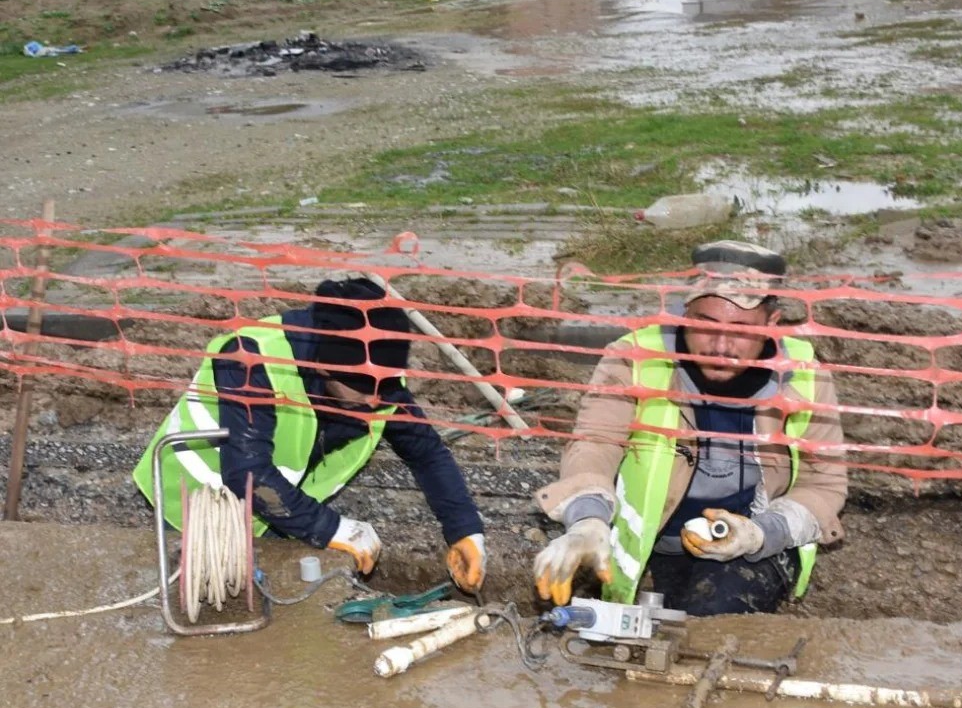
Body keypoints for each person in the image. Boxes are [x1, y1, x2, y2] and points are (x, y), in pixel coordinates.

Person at [533, 240, 847, 616]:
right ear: (686, 313)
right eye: (705, 325)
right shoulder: (635, 357)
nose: (720, 345)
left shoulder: (804, 376)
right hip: (651, 544)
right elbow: (595, 445)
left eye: (741, 330)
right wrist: (586, 520)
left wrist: (761, 534)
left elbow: (824, 483)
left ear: (771, 325)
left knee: (714, 619)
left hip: (749, 547)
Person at [132, 277, 486, 594]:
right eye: (362, 388)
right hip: (192, 501)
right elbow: (246, 473)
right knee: (211, 600)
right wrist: (331, 528)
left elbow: (426, 454)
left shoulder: (380, 381)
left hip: (276, 510)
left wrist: (465, 530)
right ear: (322, 366)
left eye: (386, 385)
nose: (376, 399)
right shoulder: (251, 360)